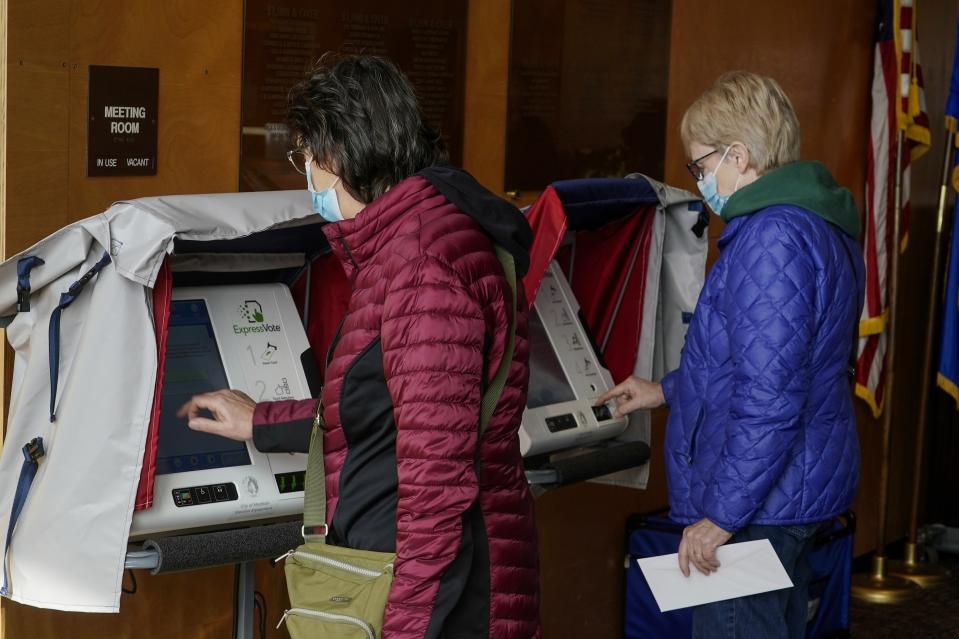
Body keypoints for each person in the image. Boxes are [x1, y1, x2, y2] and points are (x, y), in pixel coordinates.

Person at [177, 54, 541, 639]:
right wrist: (262, 423)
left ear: (339, 155)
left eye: (305, 157)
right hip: (436, 580)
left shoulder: (422, 265)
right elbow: (392, 409)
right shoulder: (422, 239)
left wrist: (403, 628)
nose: (307, 176)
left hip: (442, 598)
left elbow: (434, 487)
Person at [599, 71, 864, 639]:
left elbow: (769, 396)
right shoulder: (814, 219)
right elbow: (774, 362)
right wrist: (665, 389)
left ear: (738, 155)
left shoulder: (772, 236)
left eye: (700, 165)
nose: (699, 182)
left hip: (759, 506)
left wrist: (721, 517)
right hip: (790, 490)